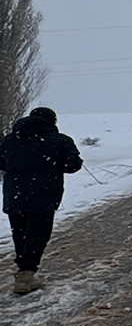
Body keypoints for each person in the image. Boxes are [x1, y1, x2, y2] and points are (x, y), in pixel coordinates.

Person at [1, 107, 83, 295]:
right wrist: (52, 165)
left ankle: (23, 269)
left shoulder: (11, 140)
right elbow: (73, 166)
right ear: (52, 121)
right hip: (44, 195)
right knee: (37, 236)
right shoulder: (61, 140)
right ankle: (26, 276)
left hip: (16, 194)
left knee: (20, 234)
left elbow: (2, 162)